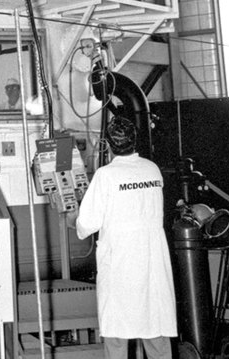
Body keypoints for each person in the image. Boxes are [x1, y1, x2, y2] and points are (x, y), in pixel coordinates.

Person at [75, 116, 177, 359]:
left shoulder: (105, 175)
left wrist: (71, 216)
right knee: (156, 328)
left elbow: (86, 225)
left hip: (121, 265)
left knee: (117, 333)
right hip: (152, 264)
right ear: (135, 141)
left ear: (108, 145)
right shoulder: (151, 169)